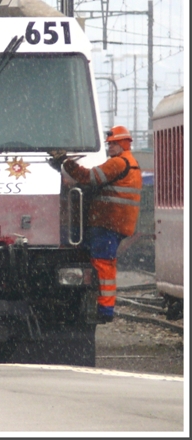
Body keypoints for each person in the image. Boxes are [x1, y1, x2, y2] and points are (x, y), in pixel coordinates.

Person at [48, 125, 143, 323]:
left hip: (108, 223)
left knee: (103, 263)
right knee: (103, 262)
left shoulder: (118, 163)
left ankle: (105, 310)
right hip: (114, 224)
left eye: (112, 144)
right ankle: (103, 305)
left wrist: (65, 162)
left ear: (122, 144)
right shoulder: (131, 164)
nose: (109, 148)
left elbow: (89, 177)